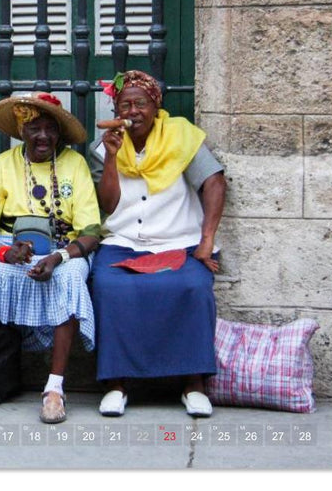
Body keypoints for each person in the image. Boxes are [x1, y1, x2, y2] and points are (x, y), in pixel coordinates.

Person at [0, 92, 101, 424]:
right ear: (21, 132)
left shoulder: (74, 163)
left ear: (60, 133)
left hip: (62, 248)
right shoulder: (4, 163)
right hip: (10, 245)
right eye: (34, 129)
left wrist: (56, 258)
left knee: (69, 280)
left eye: (50, 129)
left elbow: (90, 234)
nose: (42, 137)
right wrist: (4, 251)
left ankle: (54, 390)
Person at [89, 70, 227, 418]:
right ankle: (116, 385)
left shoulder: (181, 137)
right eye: (125, 105)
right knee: (108, 286)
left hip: (177, 241)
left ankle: (193, 383)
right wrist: (110, 158)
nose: (133, 112)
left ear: (156, 105)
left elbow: (214, 182)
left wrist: (206, 240)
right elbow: (108, 205)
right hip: (122, 242)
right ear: (116, 109)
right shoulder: (104, 144)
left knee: (193, 286)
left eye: (141, 104)